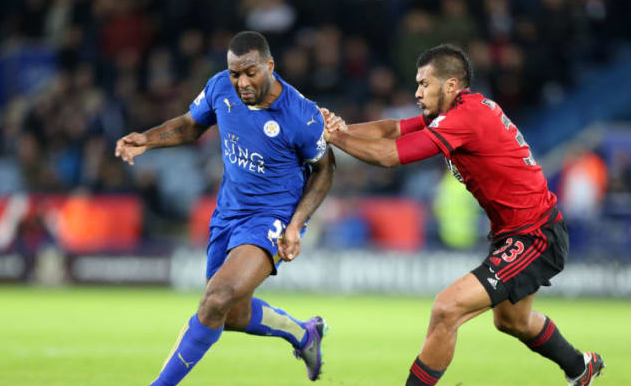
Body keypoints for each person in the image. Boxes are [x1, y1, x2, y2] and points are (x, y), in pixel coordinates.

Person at [321, 44, 604, 386]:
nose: (417, 91)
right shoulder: (457, 111)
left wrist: (335, 137)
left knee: (447, 308)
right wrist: (341, 128)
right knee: (512, 321)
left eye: (424, 83)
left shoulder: (466, 118)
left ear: (451, 85)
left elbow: (389, 155)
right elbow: (391, 130)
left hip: (535, 234)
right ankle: (579, 367)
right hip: (513, 232)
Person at [115, 31, 334, 385]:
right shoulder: (220, 88)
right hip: (228, 214)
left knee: (215, 299)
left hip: (273, 219)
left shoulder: (301, 115)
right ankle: (304, 333)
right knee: (229, 314)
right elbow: (190, 125)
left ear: (270, 66)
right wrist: (147, 139)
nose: (242, 82)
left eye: (250, 73)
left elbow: (325, 170)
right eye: (235, 73)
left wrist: (296, 224)